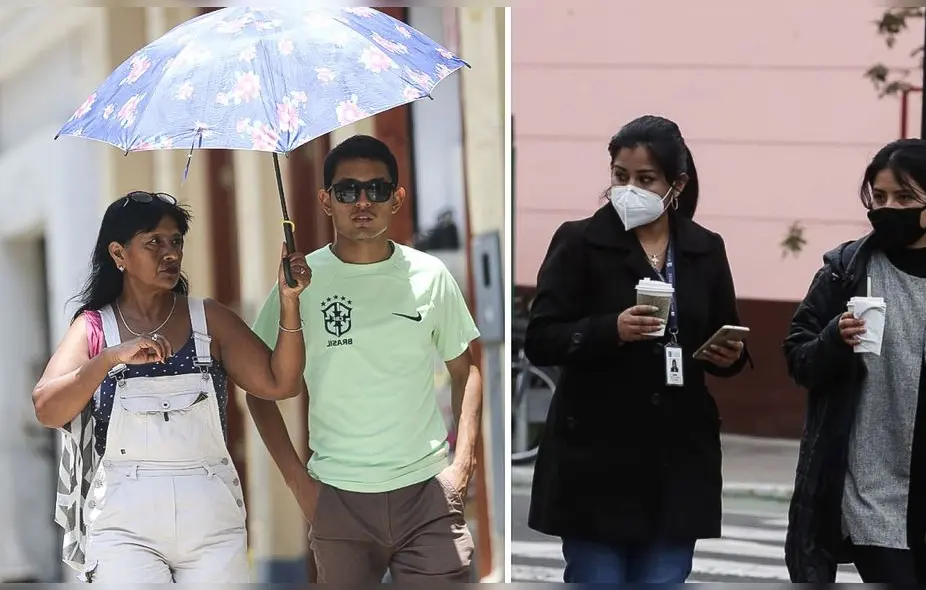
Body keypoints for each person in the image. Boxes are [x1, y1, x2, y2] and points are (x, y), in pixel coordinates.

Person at [33, 191, 312, 583]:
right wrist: (109, 358)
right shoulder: (94, 329)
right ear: (119, 253)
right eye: (154, 242)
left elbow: (281, 383)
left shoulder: (209, 319)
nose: (170, 253)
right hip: (123, 524)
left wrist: (289, 301)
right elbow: (46, 407)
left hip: (211, 518)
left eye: (176, 241)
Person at [245, 134, 483, 584]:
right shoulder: (297, 285)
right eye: (347, 190)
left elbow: (465, 369)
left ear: (397, 199)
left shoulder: (429, 275)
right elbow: (260, 392)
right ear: (325, 200)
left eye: (376, 189)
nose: (362, 201)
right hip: (338, 499)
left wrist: (463, 465)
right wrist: (300, 484)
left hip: (427, 496)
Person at [523, 115, 749, 584]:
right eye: (620, 176)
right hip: (596, 458)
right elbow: (541, 338)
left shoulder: (705, 248)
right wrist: (612, 329)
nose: (629, 189)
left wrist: (729, 358)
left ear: (676, 184)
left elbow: (722, 330)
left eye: (646, 179)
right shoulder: (579, 241)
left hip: (676, 456)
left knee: (664, 579)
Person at [783, 139, 926, 583]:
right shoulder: (846, 269)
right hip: (870, 478)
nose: (888, 208)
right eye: (879, 197)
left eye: (904, 198)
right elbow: (798, 356)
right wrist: (833, 338)